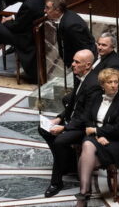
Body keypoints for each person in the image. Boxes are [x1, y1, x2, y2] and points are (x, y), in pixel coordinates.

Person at [38, 49, 100, 197]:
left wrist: (64, 128)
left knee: (60, 141)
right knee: (43, 128)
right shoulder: (80, 76)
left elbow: (87, 116)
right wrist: (58, 118)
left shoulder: (93, 85)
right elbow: (72, 104)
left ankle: (56, 182)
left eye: (77, 62)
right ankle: (67, 162)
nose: (72, 64)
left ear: (88, 65)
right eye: (73, 61)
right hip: (73, 121)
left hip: (84, 127)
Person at [74, 67, 119, 207]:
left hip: (115, 141)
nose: (113, 85)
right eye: (109, 82)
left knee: (85, 153)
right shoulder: (95, 97)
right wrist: (97, 135)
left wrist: (97, 131)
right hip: (95, 137)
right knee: (88, 145)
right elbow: (87, 118)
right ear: (102, 85)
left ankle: (83, 195)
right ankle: (84, 193)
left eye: (116, 82)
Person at [44, 0, 96, 68]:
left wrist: (79, 66)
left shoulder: (71, 25)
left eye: (48, 8)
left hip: (81, 65)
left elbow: (84, 48)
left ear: (57, 10)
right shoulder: (65, 16)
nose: (45, 10)